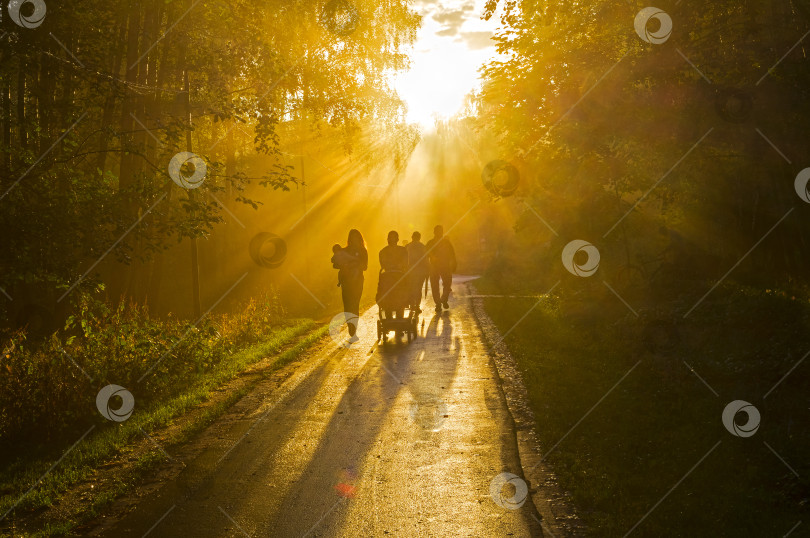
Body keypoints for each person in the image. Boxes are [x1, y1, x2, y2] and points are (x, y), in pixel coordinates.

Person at [333, 229, 367, 339]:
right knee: (347, 305)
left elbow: (365, 267)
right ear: (349, 239)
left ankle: (353, 329)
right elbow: (335, 263)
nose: (354, 240)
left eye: (356, 237)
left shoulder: (363, 251)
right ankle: (350, 326)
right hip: (346, 281)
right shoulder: (345, 250)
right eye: (352, 237)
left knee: (355, 304)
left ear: (359, 238)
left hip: (357, 281)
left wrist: (353, 265)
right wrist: (343, 265)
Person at [377, 230, 409, 319]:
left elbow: (405, 263)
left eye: (393, 237)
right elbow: (383, 264)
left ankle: (399, 317)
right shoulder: (383, 251)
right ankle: (388, 318)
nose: (391, 239)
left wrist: (398, 266)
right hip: (388, 276)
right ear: (387, 239)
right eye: (390, 237)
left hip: (399, 276)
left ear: (397, 239)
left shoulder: (403, 250)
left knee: (401, 294)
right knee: (387, 295)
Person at [426, 224, 456, 314]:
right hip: (434, 266)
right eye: (438, 231)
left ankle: (444, 299)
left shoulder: (446, 242)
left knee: (447, 284)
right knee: (434, 286)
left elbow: (452, 254)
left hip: (445, 266)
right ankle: (438, 304)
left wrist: (453, 263)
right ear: (434, 232)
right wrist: (432, 256)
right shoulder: (430, 242)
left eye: (441, 231)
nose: (440, 233)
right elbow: (426, 252)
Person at [405, 231, 429, 313]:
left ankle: (412, 305)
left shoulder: (407, 246)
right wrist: (427, 270)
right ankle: (417, 306)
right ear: (419, 238)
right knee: (418, 289)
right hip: (420, 271)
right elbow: (426, 260)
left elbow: (404, 260)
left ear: (412, 237)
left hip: (410, 271)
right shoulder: (423, 247)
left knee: (411, 288)